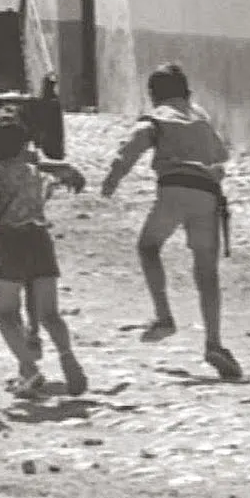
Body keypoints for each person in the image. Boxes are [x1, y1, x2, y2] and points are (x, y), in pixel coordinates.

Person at [100, 64, 241, 381]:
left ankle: (164, 316)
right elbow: (221, 154)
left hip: (174, 189)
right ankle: (214, 343)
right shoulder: (201, 117)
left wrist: (112, 179)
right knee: (207, 272)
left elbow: (132, 145)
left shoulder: (157, 117)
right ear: (187, 92)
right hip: (207, 194)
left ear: (153, 94)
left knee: (148, 247)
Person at [0, 110, 88, 398]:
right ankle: (68, 357)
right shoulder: (34, 173)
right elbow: (46, 191)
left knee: (4, 313)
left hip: (9, 243)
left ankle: (29, 369)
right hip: (39, 239)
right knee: (50, 314)